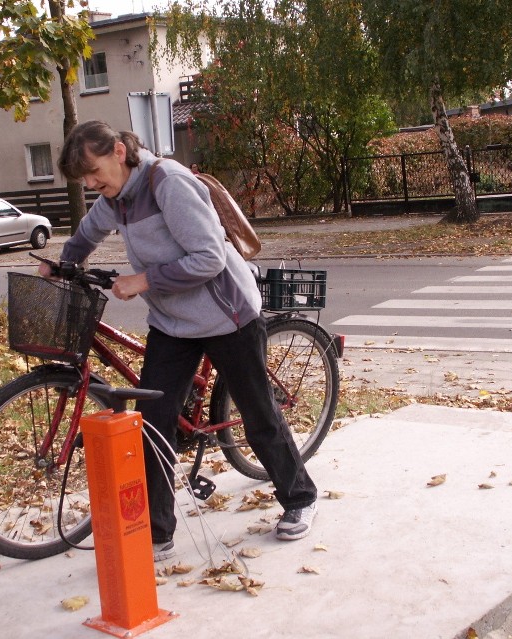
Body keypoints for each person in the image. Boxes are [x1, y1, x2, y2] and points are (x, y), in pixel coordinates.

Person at [43, 120, 317, 561]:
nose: (92, 184)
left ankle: (300, 498)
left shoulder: (167, 183)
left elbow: (208, 258)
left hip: (227, 315)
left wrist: (144, 280)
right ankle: (157, 531)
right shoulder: (116, 197)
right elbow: (89, 231)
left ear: (118, 151)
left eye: (94, 172)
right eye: (84, 179)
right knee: (152, 422)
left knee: (258, 413)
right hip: (173, 323)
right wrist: (64, 263)